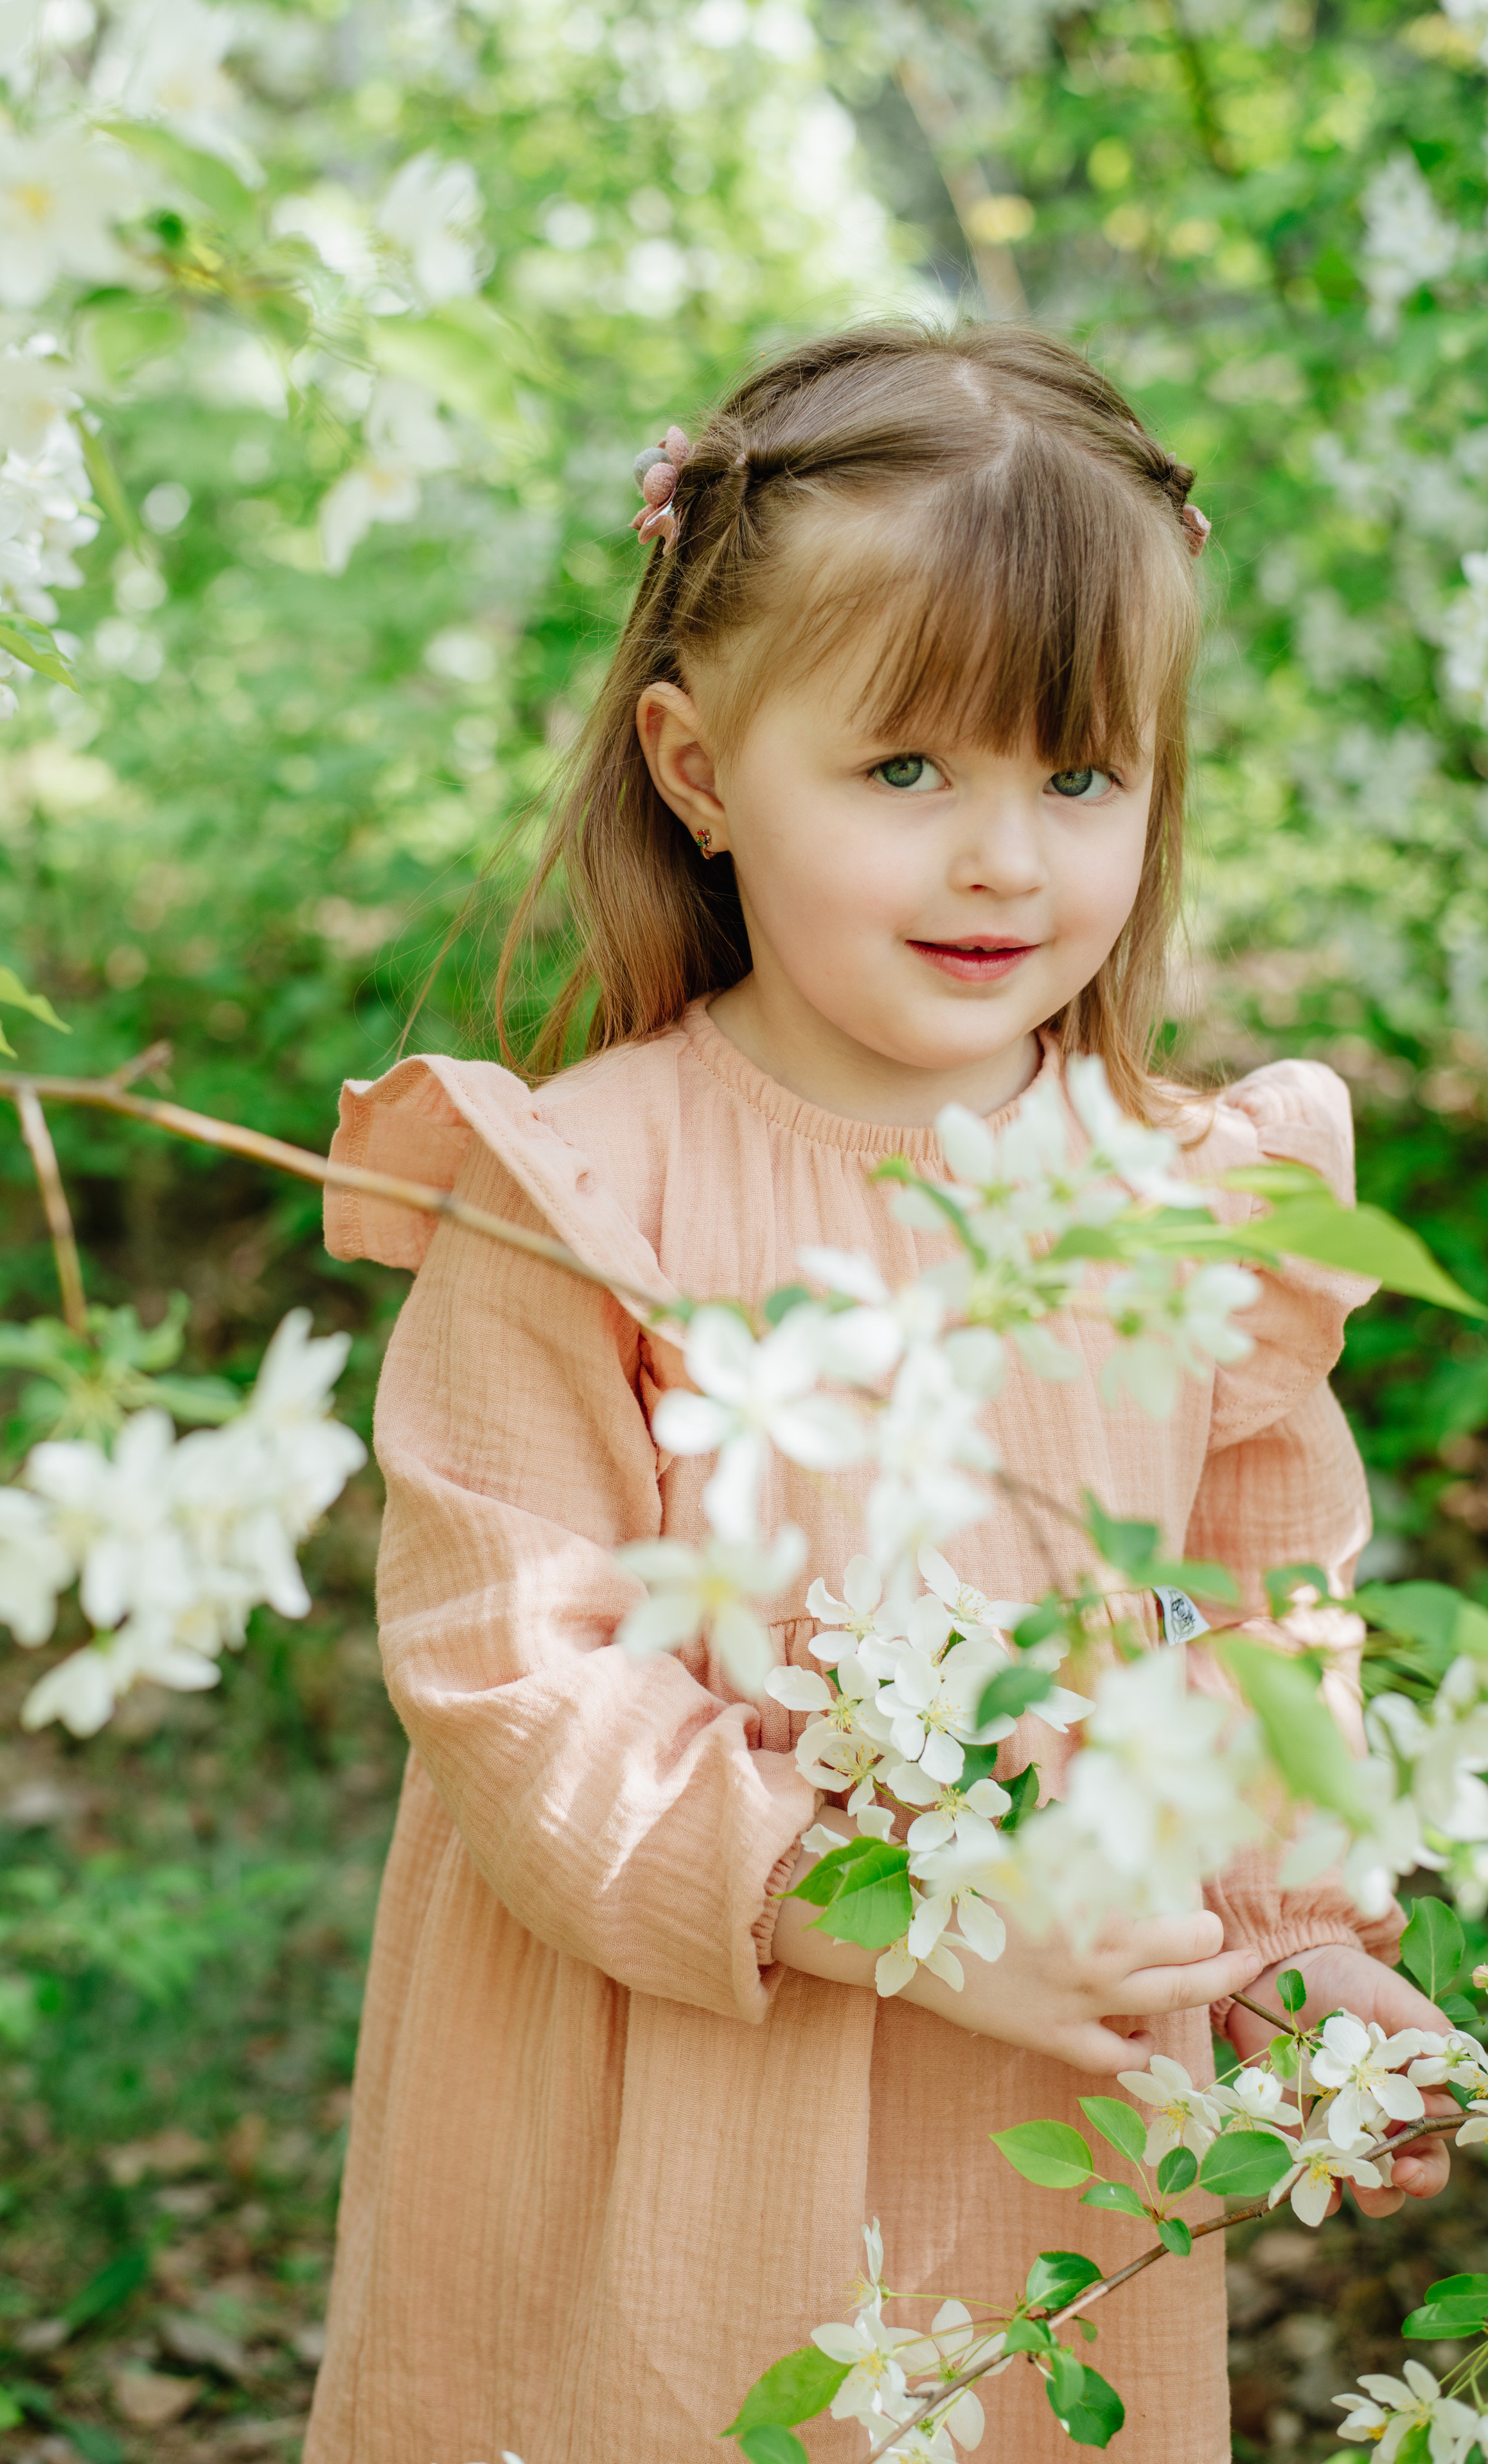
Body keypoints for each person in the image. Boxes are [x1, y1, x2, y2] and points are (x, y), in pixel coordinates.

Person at [302, 323, 1449, 2464]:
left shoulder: (1189, 1203)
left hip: (1039, 2090)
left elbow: (1259, 1603)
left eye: (1079, 774)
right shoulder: (578, 1193)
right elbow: (505, 1669)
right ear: (701, 762)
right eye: (908, 771)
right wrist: (901, 1913)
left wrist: (1299, 1955)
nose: (1007, 859)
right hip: (668, 2079)